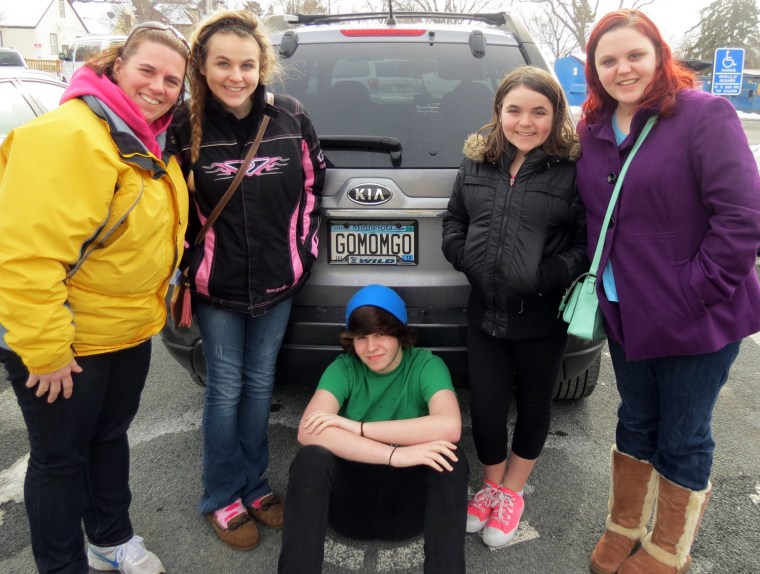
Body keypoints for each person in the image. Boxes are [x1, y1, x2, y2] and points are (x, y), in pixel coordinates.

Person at [0, 22, 190, 574]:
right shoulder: (71, 136)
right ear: (116, 67)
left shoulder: (148, 138)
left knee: (108, 439)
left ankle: (110, 537)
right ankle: (63, 566)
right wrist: (47, 348)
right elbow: (25, 258)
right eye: (146, 71)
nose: (157, 87)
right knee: (60, 462)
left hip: (125, 331)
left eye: (171, 80)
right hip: (65, 340)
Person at [577, 10, 760, 574]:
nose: (622, 68)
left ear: (659, 55)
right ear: (594, 70)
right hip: (626, 312)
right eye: (607, 60)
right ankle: (624, 524)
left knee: (683, 436)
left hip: (695, 316)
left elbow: (742, 215)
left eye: (634, 55)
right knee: (635, 420)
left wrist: (698, 289)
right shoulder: (593, 129)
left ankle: (666, 548)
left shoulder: (704, 115)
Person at [171, 10, 326, 550]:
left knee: (260, 386)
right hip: (217, 288)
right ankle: (221, 496)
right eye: (223, 64)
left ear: (262, 65)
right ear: (202, 66)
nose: (236, 75)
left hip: (280, 283)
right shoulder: (183, 124)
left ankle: (256, 486)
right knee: (225, 390)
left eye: (247, 63)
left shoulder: (290, 116)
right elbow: (170, 209)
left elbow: (312, 185)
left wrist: (301, 253)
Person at [441, 66, 587, 548]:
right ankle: (490, 484)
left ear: (556, 115)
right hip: (484, 312)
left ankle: (512, 493)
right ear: (498, 112)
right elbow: (454, 219)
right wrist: (466, 258)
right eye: (515, 110)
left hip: (543, 319)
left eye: (539, 112)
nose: (526, 122)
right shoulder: (476, 162)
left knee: (533, 405)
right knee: (484, 409)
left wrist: (547, 276)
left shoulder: (571, 170)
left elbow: (587, 243)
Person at [278, 284, 468, 574]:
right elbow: (308, 430)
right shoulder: (344, 368)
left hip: (409, 509)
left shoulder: (425, 365)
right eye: (361, 337)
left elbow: (450, 426)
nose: (371, 347)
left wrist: (358, 427)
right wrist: (394, 455)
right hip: (350, 507)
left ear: (400, 333)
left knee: (450, 457)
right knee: (311, 458)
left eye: (381, 334)